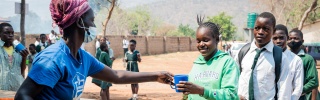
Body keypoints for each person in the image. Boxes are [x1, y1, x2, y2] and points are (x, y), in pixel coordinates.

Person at [14, 0, 173, 99]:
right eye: (92, 20)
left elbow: (116, 75)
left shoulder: (82, 58)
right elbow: (22, 95)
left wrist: (156, 76)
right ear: (79, 23)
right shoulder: (53, 59)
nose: (94, 26)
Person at [176, 19, 240, 99]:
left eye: (205, 40)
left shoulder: (227, 62)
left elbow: (230, 95)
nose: (201, 44)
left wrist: (203, 91)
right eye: (198, 41)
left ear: (217, 39)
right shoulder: (197, 62)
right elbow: (191, 95)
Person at [237, 12, 291, 99]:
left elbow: (284, 89)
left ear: (273, 31)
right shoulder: (243, 52)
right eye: (257, 28)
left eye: (265, 29)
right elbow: (235, 78)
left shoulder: (280, 57)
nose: (260, 32)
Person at [272, 24, 303, 100]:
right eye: (275, 38)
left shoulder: (296, 60)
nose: (278, 41)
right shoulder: (267, 58)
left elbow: (298, 87)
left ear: (287, 38)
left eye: (281, 38)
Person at [288, 29, 319, 100]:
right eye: (290, 38)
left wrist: (297, 91)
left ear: (302, 41)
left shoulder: (307, 59)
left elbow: (313, 81)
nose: (292, 40)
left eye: (296, 38)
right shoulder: (284, 57)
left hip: (303, 97)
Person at [0, 23, 29, 91]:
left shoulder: (18, 49)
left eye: (12, 33)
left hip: (16, 87)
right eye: (7, 33)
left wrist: (24, 58)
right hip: (2, 88)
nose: (10, 35)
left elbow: (21, 71)